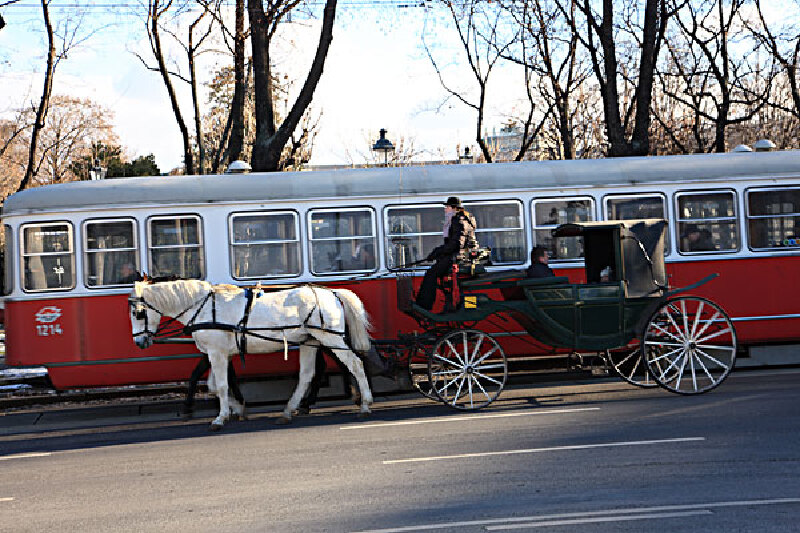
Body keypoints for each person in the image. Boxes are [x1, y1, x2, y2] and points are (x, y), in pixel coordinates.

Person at [415, 196, 478, 310]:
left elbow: (456, 244)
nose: (445, 210)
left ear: (454, 208)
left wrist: (438, 251)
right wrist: (438, 252)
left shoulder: (457, 220)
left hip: (457, 257)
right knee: (434, 271)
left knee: (431, 273)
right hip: (461, 255)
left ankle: (424, 304)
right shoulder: (466, 218)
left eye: (447, 207)